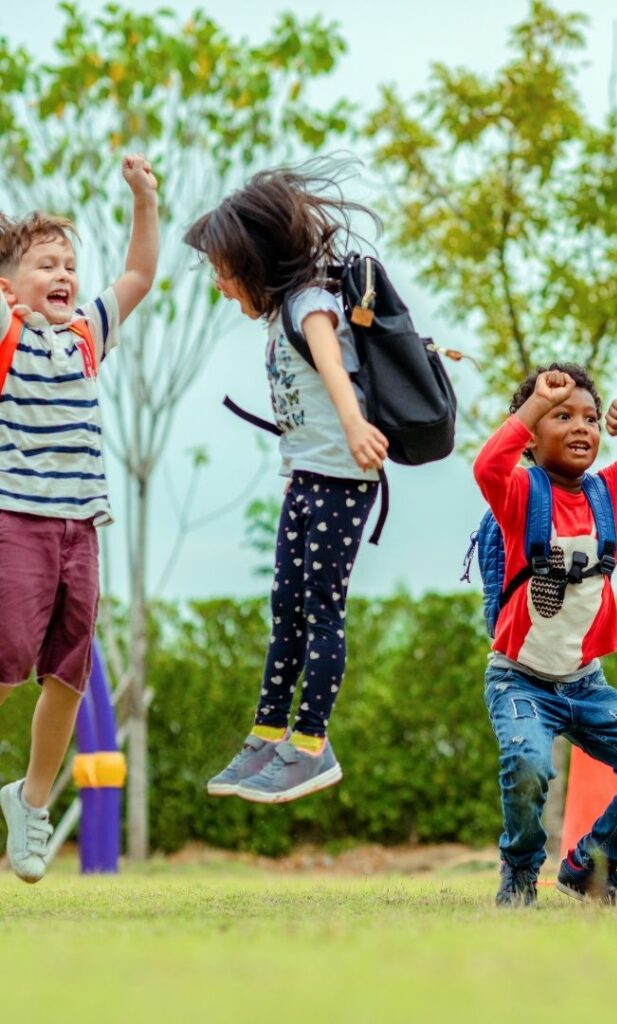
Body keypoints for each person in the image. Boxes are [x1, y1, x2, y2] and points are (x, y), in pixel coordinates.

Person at [185, 162, 388, 804]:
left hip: (340, 479)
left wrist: (355, 425)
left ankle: (310, 746)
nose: (219, 286)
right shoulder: (279, 313)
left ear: (256, 261)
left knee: (321, 611)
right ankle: (269, 734)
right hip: (306, 478)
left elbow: (329, 357)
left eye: (223, 271)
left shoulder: (308, 302)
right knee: (287, 612)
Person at [474, 363, 617, 906]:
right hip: (519, 682)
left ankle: (589, 867)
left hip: (586, 686)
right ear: (530, 434)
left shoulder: (613, 492)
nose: (581, 427)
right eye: (561, 415)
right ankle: (521, 872)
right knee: (527, 764)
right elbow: (487, 466)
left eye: (590, 418)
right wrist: (530, 408)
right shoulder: (521, 494)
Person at [0, 154, 159, 883]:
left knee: (67, 674)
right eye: (45, 263)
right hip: (17, 521)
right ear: (9, 282)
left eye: (70, 263)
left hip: (82, 528)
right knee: (4, 663)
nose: (63, 274)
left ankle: (30, 803)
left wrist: (143, 200)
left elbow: (138, 277)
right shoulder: (7, 331)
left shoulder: (88, 333)